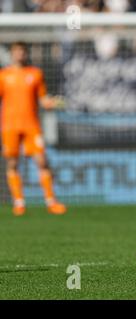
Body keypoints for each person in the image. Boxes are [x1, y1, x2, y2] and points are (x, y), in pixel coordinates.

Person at [0, 42, 67, 216]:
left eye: (23, 51)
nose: (20, 54)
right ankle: (19, 202)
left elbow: (42, 99)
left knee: (42, 161)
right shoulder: (4, 75)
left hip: (31, 125)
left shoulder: (35, 74)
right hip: (10, 125)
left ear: (26, 53)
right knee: (13, 163)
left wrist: (51, 103)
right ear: (12, 54)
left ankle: (51, 202)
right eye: (17, 51)